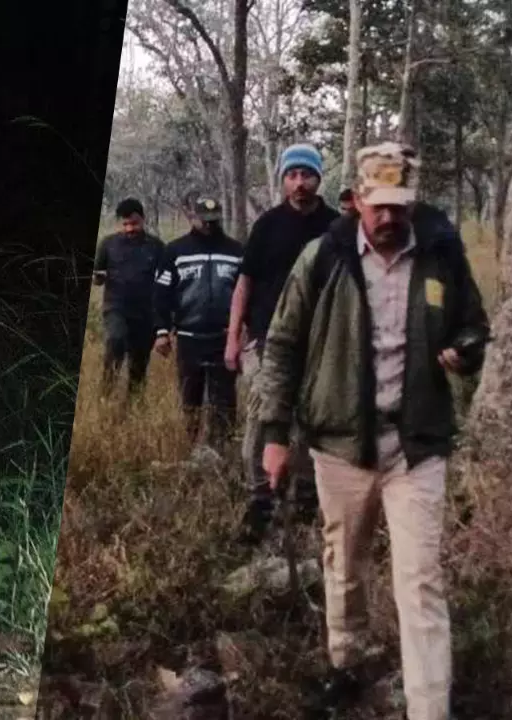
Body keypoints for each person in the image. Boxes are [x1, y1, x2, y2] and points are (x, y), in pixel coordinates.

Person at [253, 141, 490, 720]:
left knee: (422, 582)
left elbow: (474, 326)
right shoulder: (325, 257)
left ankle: (429, 709)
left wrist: (465, 350)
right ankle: (345, 665)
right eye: (378, 205)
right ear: (357, 199)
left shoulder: (440, 255)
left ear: (414, 202)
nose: (389, 217)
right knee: (344, 565)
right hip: (340, 445)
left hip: (417, 447)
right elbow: (282, 346)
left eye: (400, 206)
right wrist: (274, 434)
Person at [226, 143, 340, 546]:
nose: (299, 183)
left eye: (306, 175)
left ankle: (306, 504)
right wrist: (233, 337)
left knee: (311, 425)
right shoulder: (268, 225)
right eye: (291, 176)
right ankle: (260, 504)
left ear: (318, 178)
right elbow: (245, 283)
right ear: (283, 180)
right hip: (264, 342)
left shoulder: (335, 227)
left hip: (319, 347)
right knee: (261, 420)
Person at [153, 196, 244, 449]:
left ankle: (222, 450)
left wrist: (242, 333)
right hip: (188, 338)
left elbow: (247, 294)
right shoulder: (175, 251)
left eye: (213, 221)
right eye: (203, 221)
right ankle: (192, 445)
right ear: (192, 218)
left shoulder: (236, 251)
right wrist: (162, 331)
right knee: (190, 398)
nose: (208, 226)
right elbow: (161, 295)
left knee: (224, 401)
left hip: (224, 339)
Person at [93, 198, 166, 398]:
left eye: (134, 223)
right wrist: (98, 278)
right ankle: (105, 393)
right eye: (125, 224)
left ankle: (133, 408)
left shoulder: (157, 247)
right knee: (116, 340)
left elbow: (165, 283)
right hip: (116, 307)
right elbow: (97, 277)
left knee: (138, 365)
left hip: (145, 313)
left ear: (142, 219)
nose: (129, 229)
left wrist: (164, 321)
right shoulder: (108, 244)